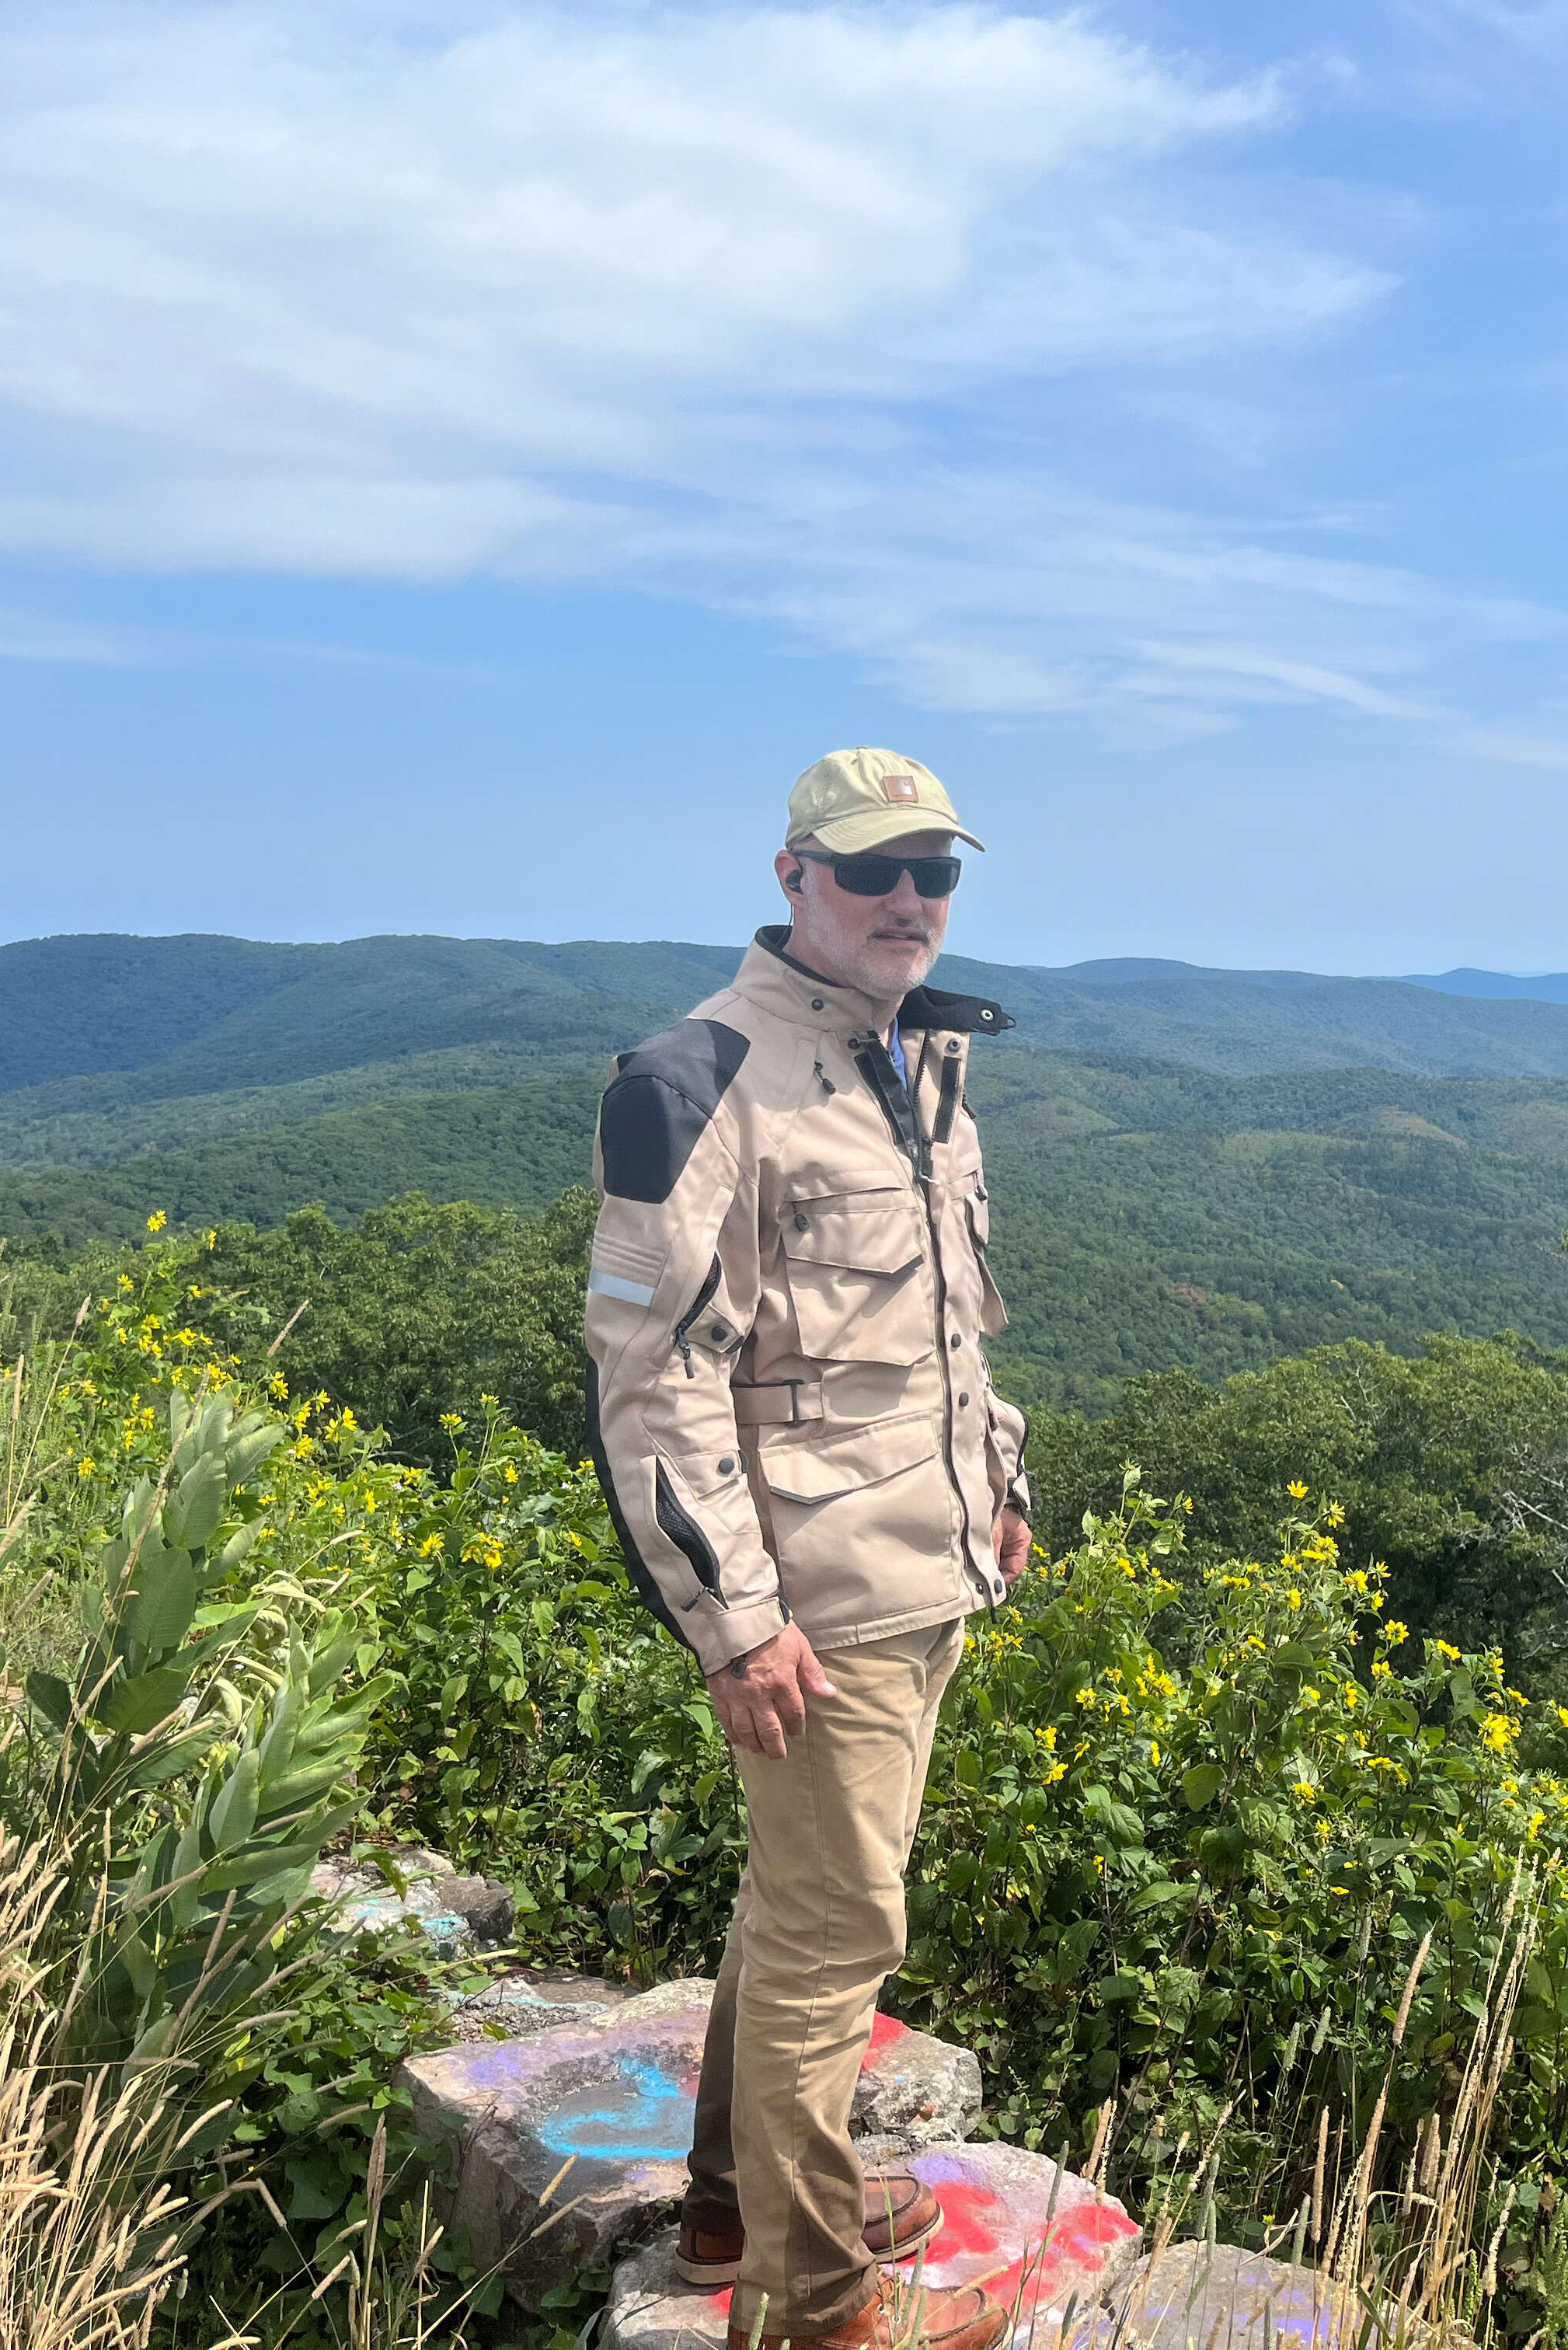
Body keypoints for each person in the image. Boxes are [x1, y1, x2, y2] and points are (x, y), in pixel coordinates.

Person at [581, 747, 1032, 2350]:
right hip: (817, 1601)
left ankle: (741, 2207)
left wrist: (1000, 1482)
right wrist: (736, 1625)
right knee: (841, 1936)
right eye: (872, 870)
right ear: (793, 880)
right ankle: (815, 2307)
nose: (910, 899)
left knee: (799, 1906)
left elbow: (939, 1326)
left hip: (926, 1557)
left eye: (936, 871)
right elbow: (654, 1381)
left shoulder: (917, 1058)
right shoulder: (700, 1079)